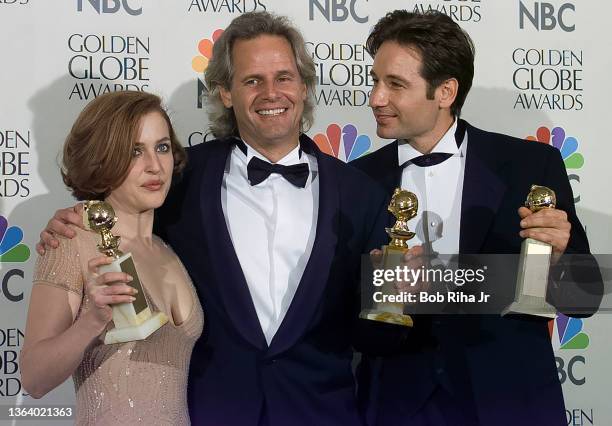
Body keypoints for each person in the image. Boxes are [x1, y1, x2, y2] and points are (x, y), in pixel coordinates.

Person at [37, 12, 388, 426]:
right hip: (209, 413)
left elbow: (378, 337)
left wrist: (399, 293)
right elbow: (117, 215)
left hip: (321, 413)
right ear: (224, 92)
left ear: (305, 85)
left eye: (284, 77)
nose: (271, 93)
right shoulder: (178, 180)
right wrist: (76, 216)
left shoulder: (363, 195)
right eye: (252, 80)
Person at [351, 10, 601, 426]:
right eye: (375, 81)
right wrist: (380, 292)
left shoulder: (529, 166)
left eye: (395, 84)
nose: (376, 98)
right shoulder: (357, 180)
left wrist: (559, 258)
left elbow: (585, 300)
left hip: (510, 404)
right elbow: (350, 330)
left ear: (445, 91)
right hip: (398, 406)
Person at [21, 91, 204, 425]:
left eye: (161, 147)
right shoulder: (71, 242)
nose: (154, 165)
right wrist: (92, 319)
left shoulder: (170, 250)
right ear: (102, 159)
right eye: (135, 151)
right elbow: (34, 379)